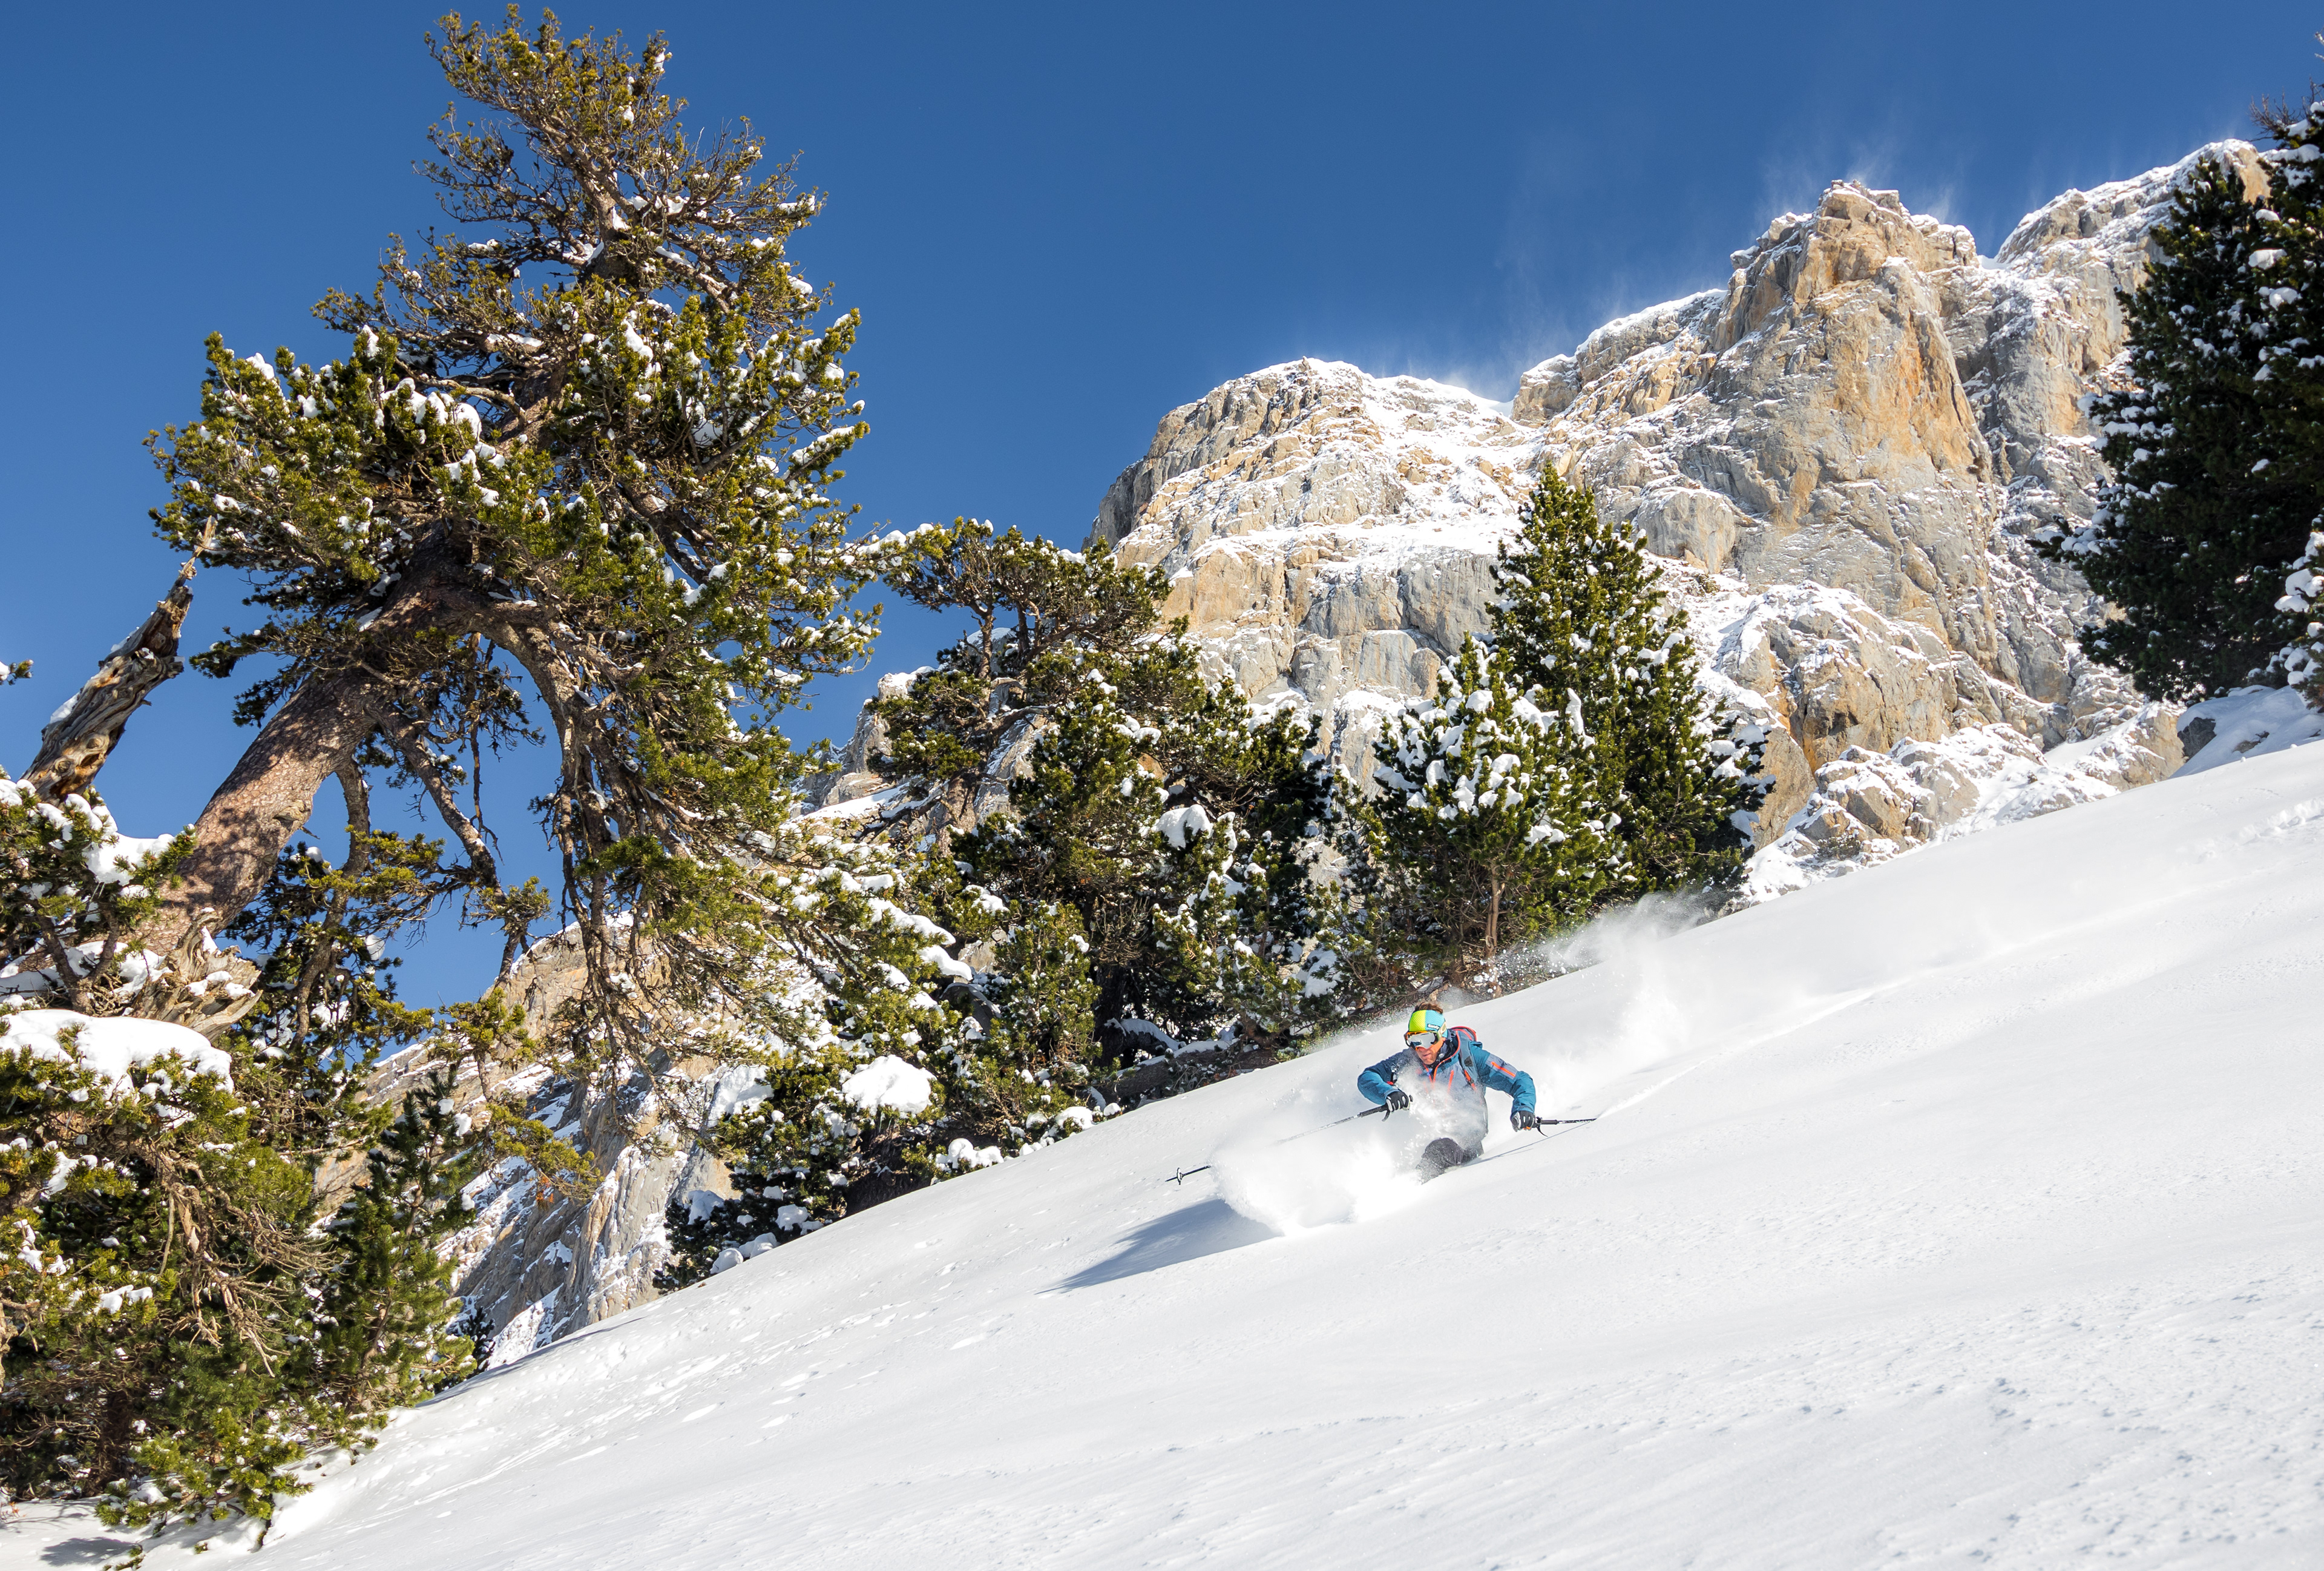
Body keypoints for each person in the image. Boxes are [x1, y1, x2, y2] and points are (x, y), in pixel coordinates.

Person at [1357, 1007, 1540, 1177]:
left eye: (1428, 1039)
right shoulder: (1408, 1060)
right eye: (1413, 1040)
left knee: (1441, 1150)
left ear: (1442, 1035)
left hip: (1468, 1144)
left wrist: (1524, 1108)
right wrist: (1389, 1093)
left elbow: (1519, 1080)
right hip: (1426, 1141)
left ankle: (1413, 1185)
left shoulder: (1469, 1058)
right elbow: (1368, 1078)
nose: (1421, 1048)